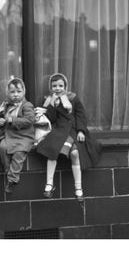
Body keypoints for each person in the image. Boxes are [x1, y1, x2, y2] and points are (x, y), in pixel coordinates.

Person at [35, 73, 101, 202]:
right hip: (59, 130)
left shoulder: (73, 98)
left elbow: (81, 115)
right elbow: (51, 118)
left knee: (75, 154)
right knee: (52, 152)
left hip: (73, 131)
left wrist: (81, 131)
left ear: (65, 86)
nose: (57, 88)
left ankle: (78, 188)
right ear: (51, 87)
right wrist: (52, 105)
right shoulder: (49, 100)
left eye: (60, 85)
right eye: (54, 86)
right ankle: (49, 184)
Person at [0, 78, 35, 193]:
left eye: (18, 91)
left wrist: (13, 120)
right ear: (8, 93)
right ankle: (8, 172)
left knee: (19, 153)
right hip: (9, 135)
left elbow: (30, 120)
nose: (15, 95)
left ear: (23, 92)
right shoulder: (6, 105)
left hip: (24, 136)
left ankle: (12, 179)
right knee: (3, 148)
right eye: (12, 92)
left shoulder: (27, 105)